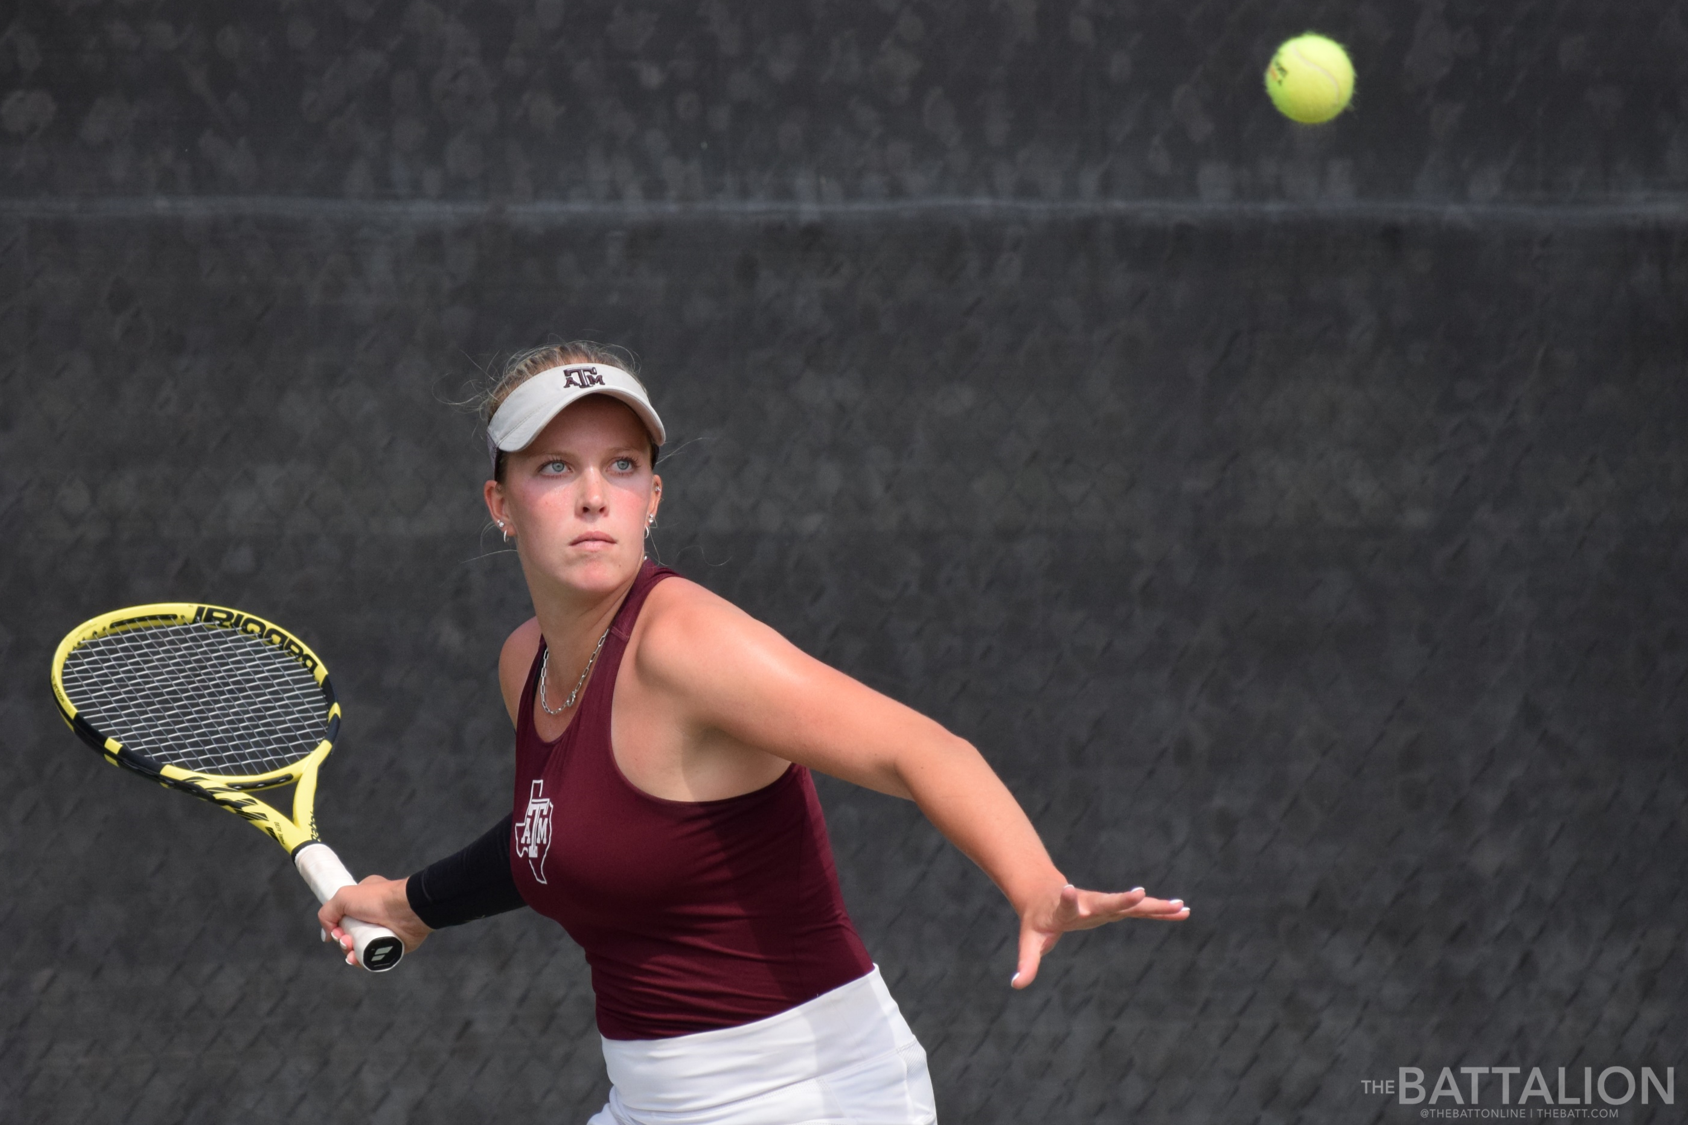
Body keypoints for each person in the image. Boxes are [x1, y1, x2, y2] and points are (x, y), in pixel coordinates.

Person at [318, 342, 1189, 1125]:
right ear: (501, 504)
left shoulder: (686, 643)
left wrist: (1034, 884)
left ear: (651, 498)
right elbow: (563, 833)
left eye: (621, 466)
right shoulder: (529, 664)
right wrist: (411, 901)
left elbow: (921, 749)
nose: (592, 496)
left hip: (808, 1098)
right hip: (649, 1101)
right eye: (554, 467)